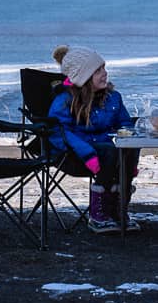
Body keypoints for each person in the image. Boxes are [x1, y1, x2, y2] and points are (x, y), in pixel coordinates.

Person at [47, 45, 140, 234]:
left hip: (107, 152)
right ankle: (99, 214)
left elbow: (125, 123)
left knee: (126, 148)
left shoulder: (113, 98)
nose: (105, 73)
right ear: (83, 76)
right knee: (110, 151)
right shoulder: (65, 101)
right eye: (98, 70)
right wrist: (88, 154)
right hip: (73, 154)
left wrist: (131, 140)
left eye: (104, 68)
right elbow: (59, 133)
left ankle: (119, 211)